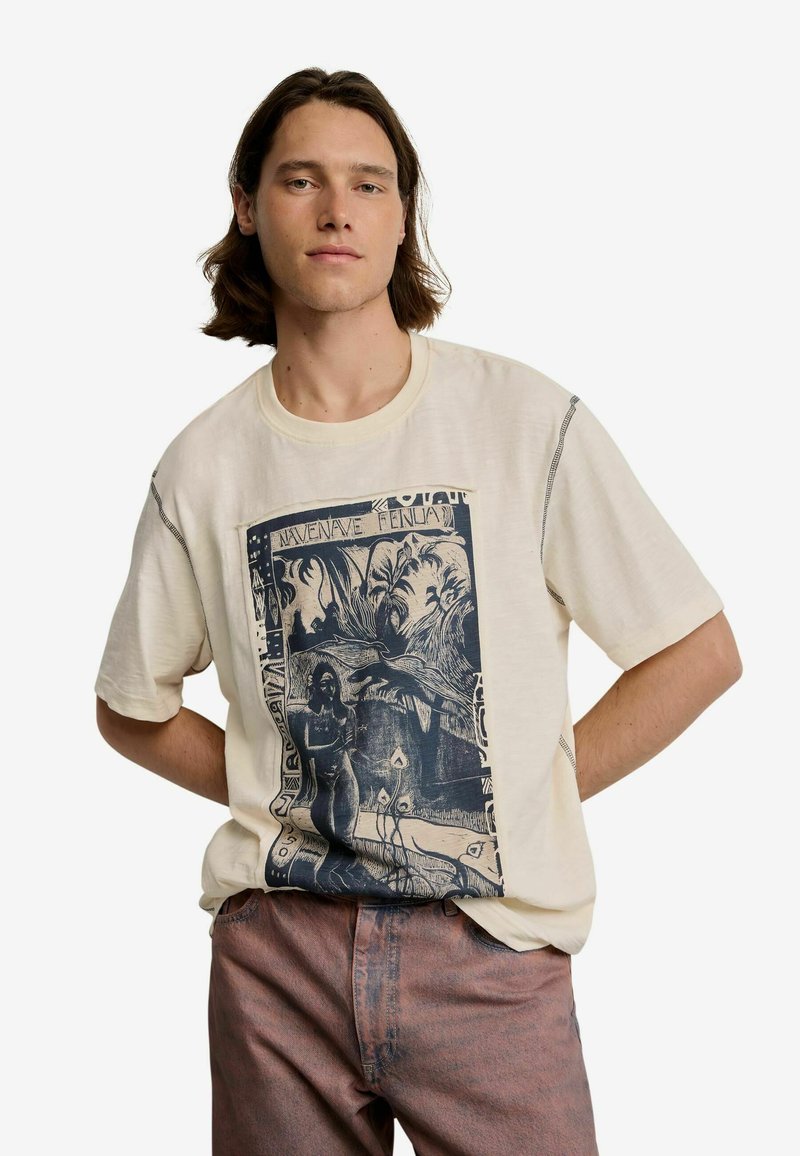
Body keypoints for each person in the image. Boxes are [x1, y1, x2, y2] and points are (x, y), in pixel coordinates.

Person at [95, 67, 743, 1155]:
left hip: (486, 952)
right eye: (300, 180)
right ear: (248, 207)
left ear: (402, 218)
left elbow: (696, 650)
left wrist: (529, 783)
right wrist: (283, 781)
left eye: (369, 183)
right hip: (279, 961)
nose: (336, 210)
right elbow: (129, 706)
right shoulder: (203, 466)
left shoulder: (522, 419)